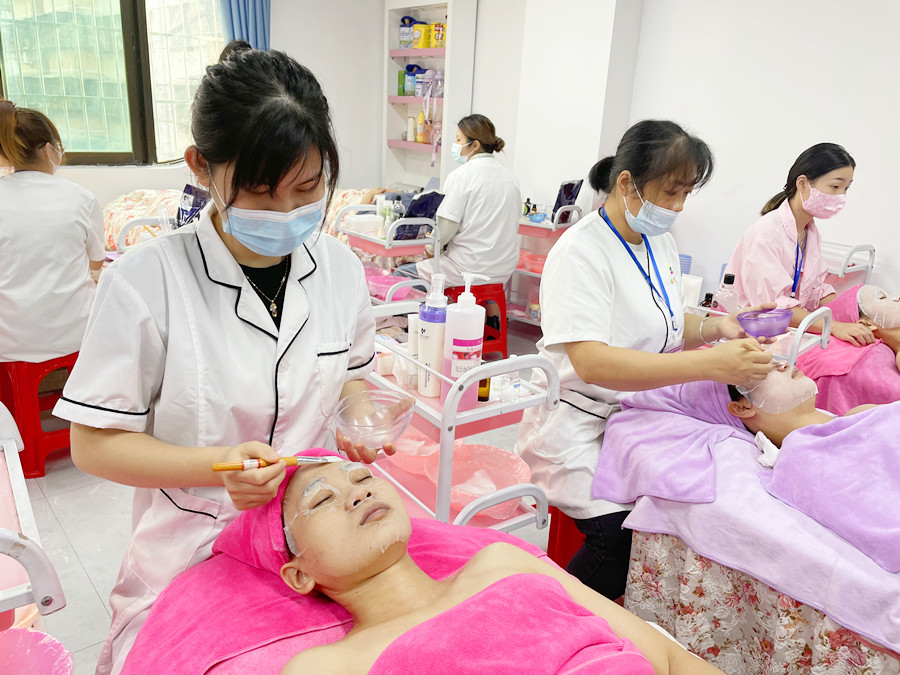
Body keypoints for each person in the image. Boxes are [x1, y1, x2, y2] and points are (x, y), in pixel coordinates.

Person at [51, 43, 387, 675]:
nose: (287, 214)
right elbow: (92, 445)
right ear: (202, 167)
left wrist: (359, 417)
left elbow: (353, 374)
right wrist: (217, 467)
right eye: (260, 192)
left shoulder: (341, 269)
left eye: (307, 188)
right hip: (196, 543)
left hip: (317, 531)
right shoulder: (146, 281)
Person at [514, 120, 775, 600]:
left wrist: (717, 328)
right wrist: (712, 365)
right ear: (627, 182)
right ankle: (554, 618)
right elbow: (592, 363)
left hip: (638, 414)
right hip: (578, 423)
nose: (678, 207)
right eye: (671, 192)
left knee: (684, 512)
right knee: (617, 539)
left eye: (686, 194)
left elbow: (667, 326)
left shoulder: (660, 243)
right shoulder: (580, 252)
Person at [277, 458, 725, 675]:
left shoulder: (502, 562)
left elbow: (671, 659)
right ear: (300, 574)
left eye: (362, 477)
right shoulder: (326, 667)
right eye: (322, 499)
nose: (358, 492)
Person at [725, 143, 872, 346]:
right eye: (835, 187)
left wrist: (852, 314)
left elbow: (815, 291)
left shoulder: (809, 231)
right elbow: (774, 306)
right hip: (755, 335)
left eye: (846, 188)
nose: (841, 197)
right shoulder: (766, 233)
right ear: (803, 183)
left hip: (789, 331)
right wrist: (835, 326)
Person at [0, 100, 105, 363]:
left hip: (7, 345)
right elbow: (96, 264)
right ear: (49, 150)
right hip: (73, 338)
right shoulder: (81, 198)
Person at [399, 113, 521, 326]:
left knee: (402, 274)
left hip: (467, 267)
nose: (455, 145)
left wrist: (428, 251)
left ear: (475, 145)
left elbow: (444, 229)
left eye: (458, 139)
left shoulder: (461, 176)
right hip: (503, 268)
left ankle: (412, 329)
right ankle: (490, 320)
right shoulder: (510, 178)